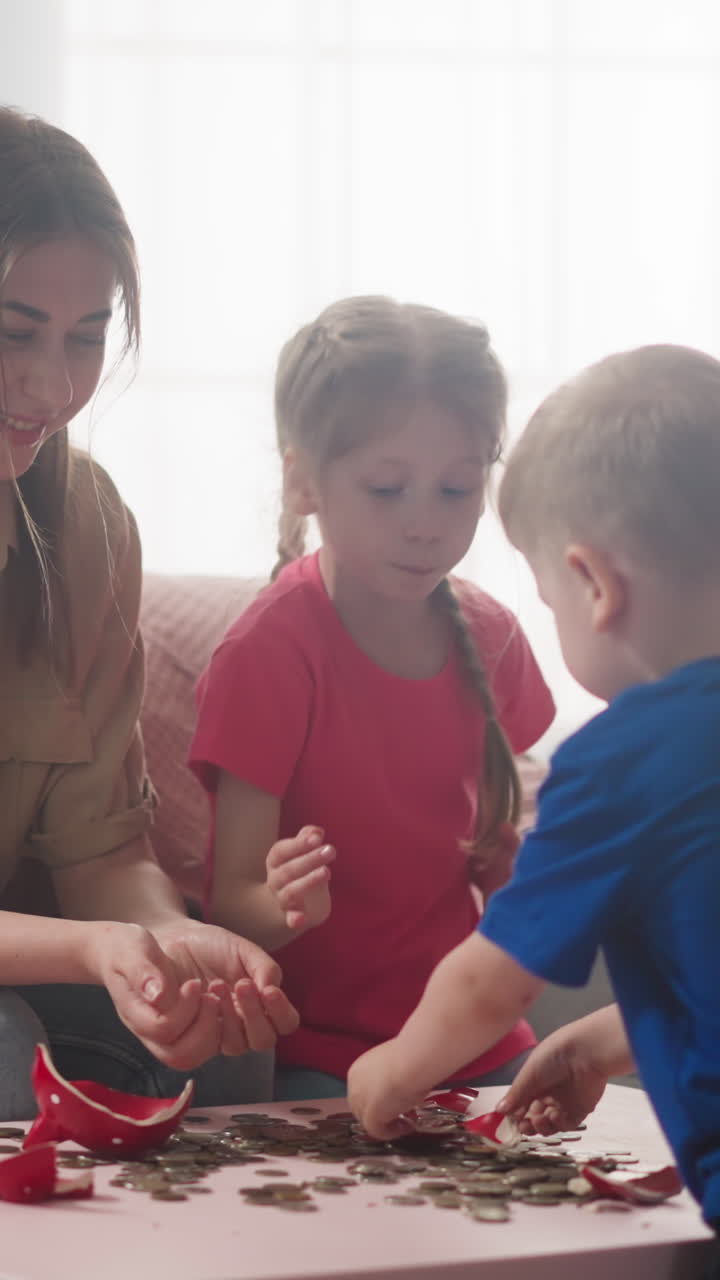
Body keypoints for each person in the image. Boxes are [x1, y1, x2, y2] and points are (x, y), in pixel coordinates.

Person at [346, 343, 720, 1240]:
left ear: (592, 585)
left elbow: (488, 985)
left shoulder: (625, 759)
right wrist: (599, 1040)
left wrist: (389, 1074)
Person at [0, 105, 300, 1120]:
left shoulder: (86, 524)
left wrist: (164, 947)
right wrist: (93, 947)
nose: (53, 385)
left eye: (88, 339)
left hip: (28, 956)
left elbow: (99, 855)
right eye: (15, 333)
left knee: (208, 1053)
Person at [189, 295, 555, 1101]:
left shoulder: (491, 634)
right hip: (314, 1049)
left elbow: (508, 852)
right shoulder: (270, 653)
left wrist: (510, 868)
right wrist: (285, 905)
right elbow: (229, 906)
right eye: (388, 489)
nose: (426, 525)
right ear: (302, 481)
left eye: (458, 489)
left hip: (470, 1031)